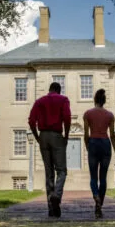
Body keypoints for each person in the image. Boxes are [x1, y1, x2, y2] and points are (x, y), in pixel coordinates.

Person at [28, 82, 71, 218]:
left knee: (49, 172)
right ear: (59, 90)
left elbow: (31, 121)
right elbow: (67, 119)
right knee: (62, 171)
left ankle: (52, 209)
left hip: (43, 136)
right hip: (57, 136)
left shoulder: (39, 101)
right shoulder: (63, 100)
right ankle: (56, 196)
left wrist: (37, 137)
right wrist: (66, 136)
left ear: (49, 90)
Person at [83, 89, 115, 218]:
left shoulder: (87, 114)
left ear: (95, 100)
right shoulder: (110, 115)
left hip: (93, 143)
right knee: (103, 177)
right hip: (105, 144)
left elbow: (86, 134)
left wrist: (88, 146)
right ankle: (100, 203)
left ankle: (96, 197)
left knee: (93, 177)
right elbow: (113, 135)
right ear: (104, 101)